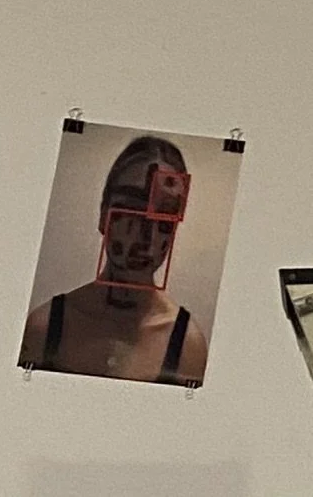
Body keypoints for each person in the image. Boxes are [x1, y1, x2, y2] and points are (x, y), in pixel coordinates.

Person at [20, 136, 209, 387]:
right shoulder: (43, 327)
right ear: (103, 216)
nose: (146, 235)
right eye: (130, 211)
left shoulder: (187, 345)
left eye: (162, 218)